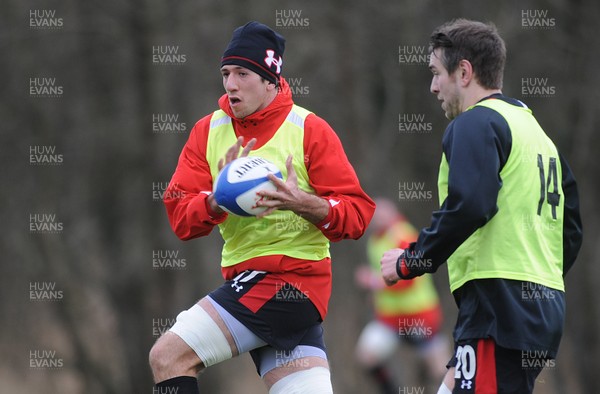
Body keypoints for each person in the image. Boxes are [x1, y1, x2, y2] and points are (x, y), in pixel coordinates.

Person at [149, 21, 375, 394]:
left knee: (169, 356)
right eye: (225, 73)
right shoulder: (208, 131)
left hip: (293, 281)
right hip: (251, 285)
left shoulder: (308, 129)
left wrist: (305, 204)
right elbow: (181, 218)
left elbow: (357, 214)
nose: (230, 84)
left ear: (271, 79)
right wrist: (216, 200)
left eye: (242, 73)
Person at [380, 19, 582, 394]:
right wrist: (538, 281)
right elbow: (571, 230)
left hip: (497, 308)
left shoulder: (474, 123)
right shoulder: (536, 131)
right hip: (541, 308)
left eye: (436, 74)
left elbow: (470, 204)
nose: (433, 86)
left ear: (464, 71)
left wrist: (411, 260)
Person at [354, 198, 449, 394]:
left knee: (440, 369)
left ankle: (428, 383)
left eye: (382, 215)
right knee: (367, 355)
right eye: (375, 216)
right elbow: (383, 277)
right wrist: (374, 293)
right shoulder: (374, 240)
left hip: (419, 316)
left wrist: (373, 282)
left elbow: (407, 279)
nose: (378, 220)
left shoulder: (403, 234)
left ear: (393, 214)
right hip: (390, 319)